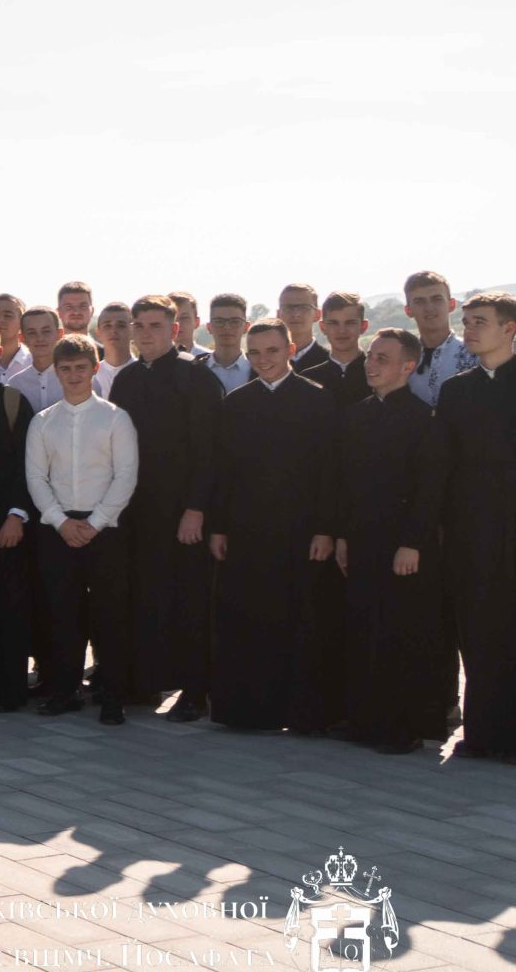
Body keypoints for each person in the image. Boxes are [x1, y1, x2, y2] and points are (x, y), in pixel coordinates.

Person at [206, 322, 338, 731]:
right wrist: (219, 527)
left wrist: (325, 528)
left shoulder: (318, 400)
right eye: (256, 352)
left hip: (301, 530)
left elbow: (330, 472)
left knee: (301, 620)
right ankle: (248, 711)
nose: (264, 360)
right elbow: (223, 470)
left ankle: (301, 713)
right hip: (248, 529)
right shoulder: (237, 403)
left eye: (273, 351)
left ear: (291, 350)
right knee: (248, 619)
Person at [107, 296, 224, 723]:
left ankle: (195, 692)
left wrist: (196, 509)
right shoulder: (126, 379)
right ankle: (146, 682)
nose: (145, 333)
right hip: (136, 510)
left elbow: (209, 452)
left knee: (189, 602)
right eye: (138, 325)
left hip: (183, 511)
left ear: (175, 330)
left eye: (155, 326)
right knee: (145, 597)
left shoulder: (197, 377)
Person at [334, 327, 447, 755]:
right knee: (363, 627)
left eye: (383, 358)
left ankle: (403, 727)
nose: (371, 364)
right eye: (371, 356)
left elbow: (429, 489)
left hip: (404, 544)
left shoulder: (424, 419)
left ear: (407, 366)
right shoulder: (355, 416)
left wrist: (413, 542)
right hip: (361, 540)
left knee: (402, 632)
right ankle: (364, 721)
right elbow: (344, 483)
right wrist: (342, 535)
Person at [421, 291, 516, 760]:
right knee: (477, 632)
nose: (470, 329)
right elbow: (441, 465)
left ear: (509, 328)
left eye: (481, 321)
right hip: (471, 531)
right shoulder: (457, 390)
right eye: (468, 321)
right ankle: (482, 734)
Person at [26, 335, 138, 724]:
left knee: (110, 613)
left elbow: (126, 475)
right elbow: (36, 478)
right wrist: (60, 521)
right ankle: (65, 690)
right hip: (58, 530)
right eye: (65, 369)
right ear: (56, 372)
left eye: (80, 368)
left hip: (105, 528)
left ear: (94, 368)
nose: (73, 375)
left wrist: (94, 523)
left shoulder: (116, 418)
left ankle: (113, 695)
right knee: (63, 612)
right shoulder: (43, 422)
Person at [404, 269, 475, 405]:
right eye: (419, 301)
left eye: (436, 299)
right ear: (408, 310)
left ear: (451, 304)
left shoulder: (474, 355)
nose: (429, 308)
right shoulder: (401, 359)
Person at [301, 291, 370, 409]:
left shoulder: (378, 374)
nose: (342, 331)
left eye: (350, 323)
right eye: (333, 323)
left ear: (363, 326)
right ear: (323, 327)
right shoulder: (307, 379)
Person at [201, 294, 254, 394]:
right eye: (219, 321)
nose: (227, 327)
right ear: (209, 327)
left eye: (235, 321)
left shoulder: (259, 369)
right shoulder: (195, 369)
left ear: (246, 327)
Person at [275, 284, 328, 373]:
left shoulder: (330, 362)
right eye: (288, 308)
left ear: (318, 315)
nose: (296, 314)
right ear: (278, 315)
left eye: (304, 308)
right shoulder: (263, 363)